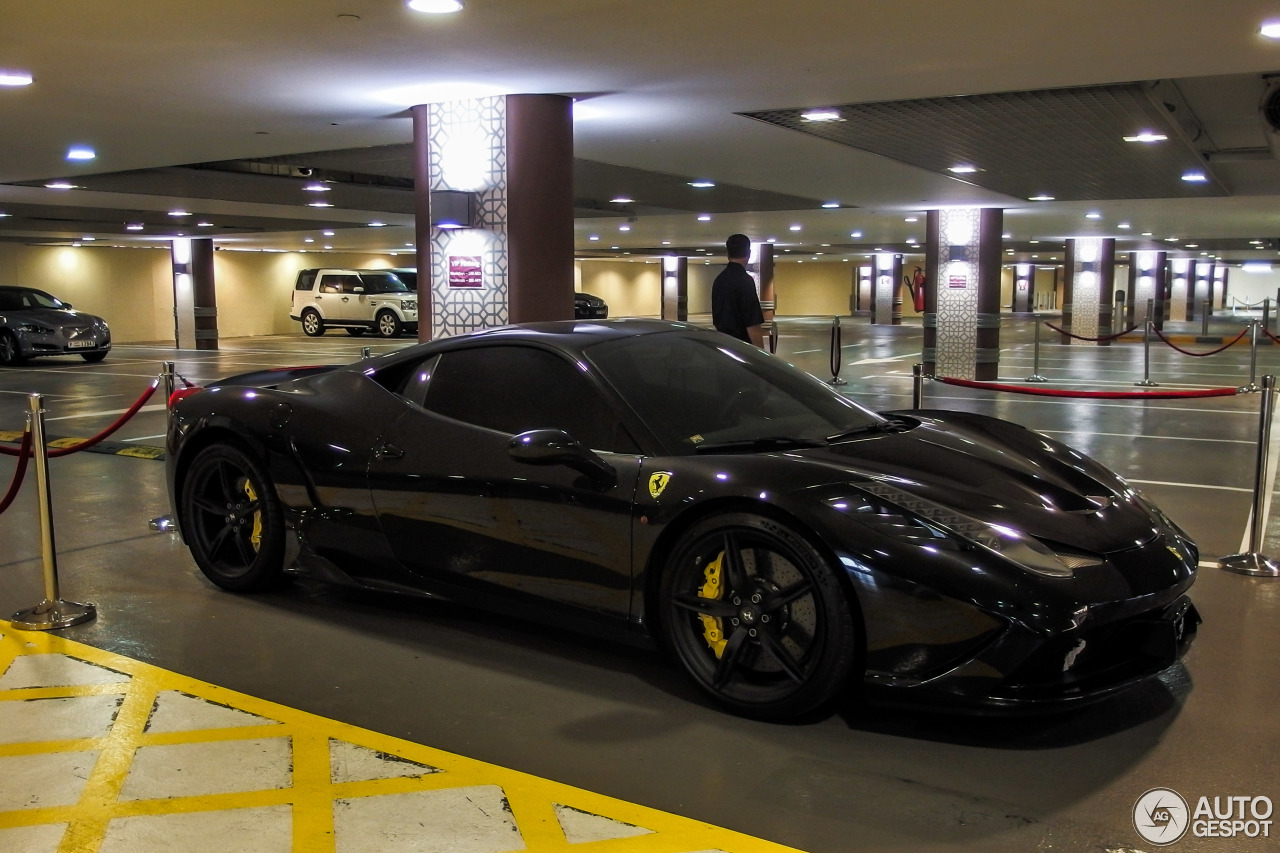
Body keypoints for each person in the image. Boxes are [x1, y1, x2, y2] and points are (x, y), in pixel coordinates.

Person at [710, 233, 765, 347]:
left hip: (722, 344)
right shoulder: (745, 281)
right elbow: (752, 323)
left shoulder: (719, 280)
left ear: (727, 253)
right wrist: (762, 356)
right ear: (749, 253)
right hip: (742, 347)